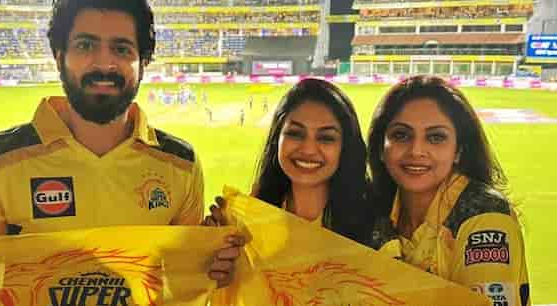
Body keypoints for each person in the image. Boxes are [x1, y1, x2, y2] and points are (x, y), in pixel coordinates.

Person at [0, 0, 240, 288]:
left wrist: (216, 263)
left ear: (143, 62)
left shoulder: (181, 164)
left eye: (122, 49)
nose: (103, 64)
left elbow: (181, 277)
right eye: (85, 45)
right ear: (59, 56)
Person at [367, 75, 530, 305]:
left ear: (458, 151)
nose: (416, 150)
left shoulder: (484, 216)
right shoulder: (373, 211)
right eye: (401, 135)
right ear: (381, 149)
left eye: (436, 137)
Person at [205, 78, 374, 245]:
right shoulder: (243, 219)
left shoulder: (375, 229)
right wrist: (213, 256)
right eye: (295, 133)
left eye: (326, 138)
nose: (308, 149)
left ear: (345, 147)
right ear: (277, 138)